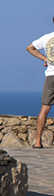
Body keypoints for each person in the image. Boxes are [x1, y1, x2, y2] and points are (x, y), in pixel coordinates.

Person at [25, 16, 54, 148]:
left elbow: (30, 48)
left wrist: (45, 59)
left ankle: (38, 142)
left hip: (51, 76)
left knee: (44, 108)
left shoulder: (47, 38)